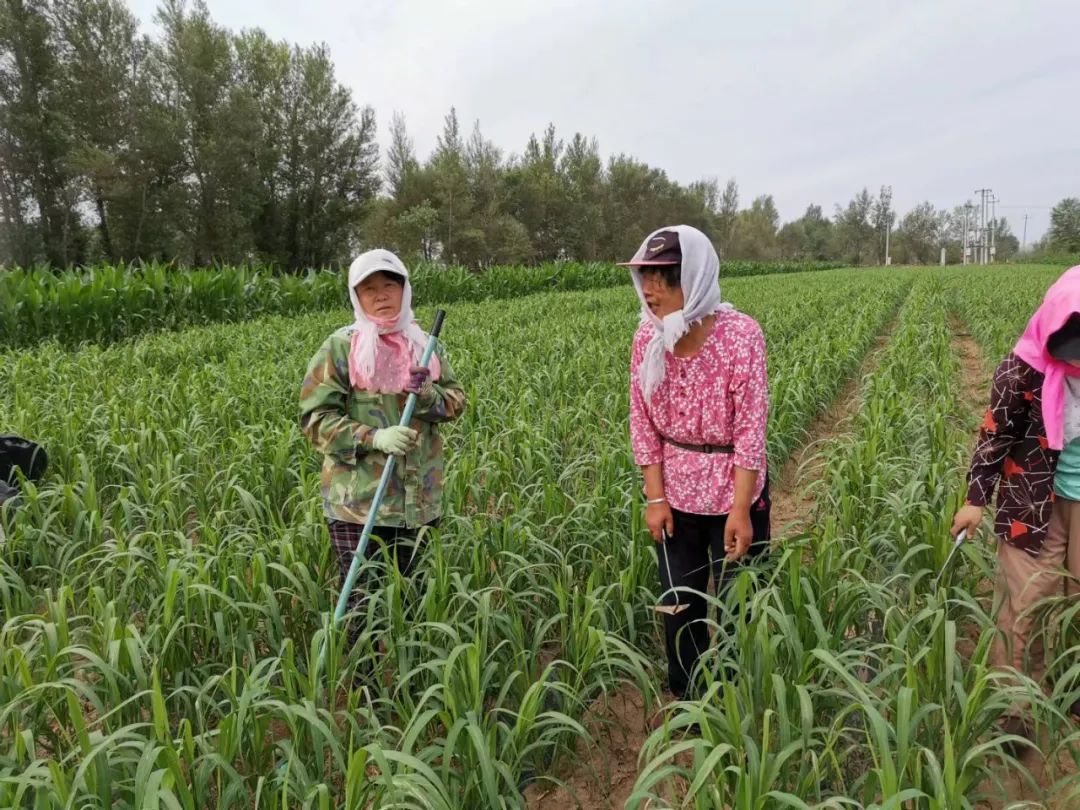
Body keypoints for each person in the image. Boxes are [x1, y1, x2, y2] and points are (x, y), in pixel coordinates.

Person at [622, 225, 770, 703]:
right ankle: (687, 699)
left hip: (735, 494)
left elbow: (751, 430)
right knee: (678, 604)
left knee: (738, 604)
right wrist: (655, 498)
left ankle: (736, 702)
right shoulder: (647, 338)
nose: (651, 288)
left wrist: (742, 510)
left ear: (698, 276)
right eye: (646, 274)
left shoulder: (740, 336)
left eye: (666, 276)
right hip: (677, 495)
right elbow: (642, 423)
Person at [299, 249, 466, 658]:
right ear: (357, 296)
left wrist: (427, 395)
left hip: (418, 501)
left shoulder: (424, 345)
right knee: (362, 604)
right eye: (369, 289)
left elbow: (456, 401)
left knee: (415, 599)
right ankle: (365, 694)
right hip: (358, 503)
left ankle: (413, 682)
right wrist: (373, 437)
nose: (380, 295)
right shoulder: (341, 348)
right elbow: (314, 419)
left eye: (389, 285)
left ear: (405, 289)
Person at [953, 265, 1080, 745]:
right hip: (1031, 503)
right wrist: (974, 501)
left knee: (1075, 603)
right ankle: (1013, 710)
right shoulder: (1022, 368)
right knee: (1024, 605)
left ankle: (1071, 689)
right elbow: (995, 435)